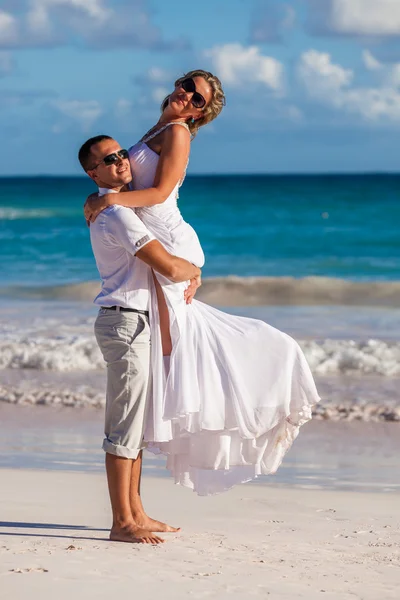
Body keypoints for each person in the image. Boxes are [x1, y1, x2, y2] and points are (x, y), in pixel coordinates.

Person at [84, 69, 320, 497]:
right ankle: (140, 482)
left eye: (196, 97)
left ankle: (243, 395)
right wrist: (106, 197)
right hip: (154, 247)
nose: (186, 94)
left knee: (180, 347)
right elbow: (122, 177)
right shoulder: (157, 128)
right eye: (185, 84)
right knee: (171, 352)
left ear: (199, 113)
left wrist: (108, 199)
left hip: (167, 238)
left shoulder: (178, 133)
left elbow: (158, 193)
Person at [78, 134, 201, 544]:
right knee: (124, 428)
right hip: (125, 324)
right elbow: (164, 264)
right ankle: (121, 522)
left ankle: (136, 512)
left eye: (121, 155)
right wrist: (195, 269)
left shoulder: (120, 207)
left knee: (137, 426)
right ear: (92, 172)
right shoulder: (117, 215)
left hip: (135, 322)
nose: (120, 162)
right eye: (107, 160)